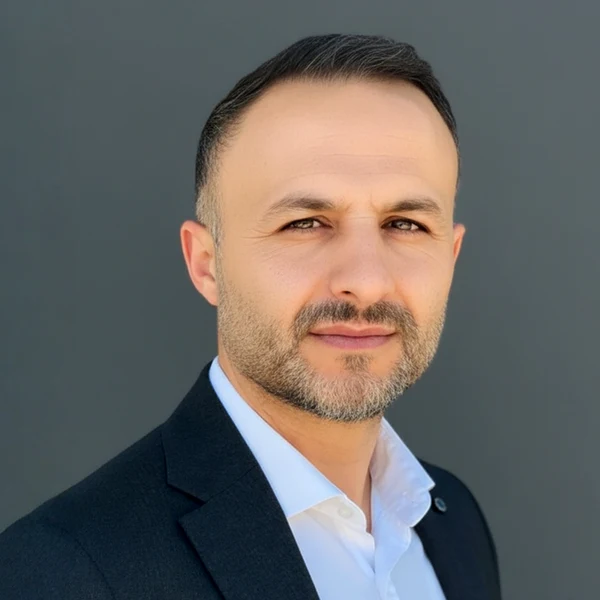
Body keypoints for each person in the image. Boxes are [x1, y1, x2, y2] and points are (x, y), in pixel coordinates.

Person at [0, 33, 502, 599]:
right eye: (305, 223)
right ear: (206, 263)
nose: (366, 280)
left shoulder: (452, 520)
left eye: (406, 224)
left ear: (450, 256)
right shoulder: (64, 570)